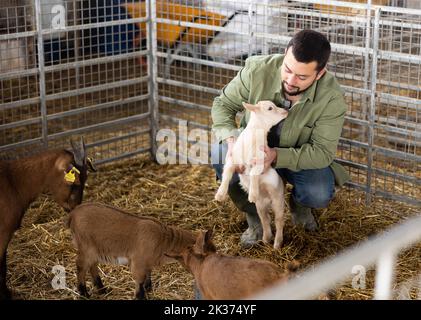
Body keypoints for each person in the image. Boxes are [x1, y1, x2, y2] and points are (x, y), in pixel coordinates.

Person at [211, 29, 350, 248]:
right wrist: (231, 140)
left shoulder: (332, 98)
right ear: (285, 53)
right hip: (253, 152)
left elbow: (322, 152)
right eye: (287, 69)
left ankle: (299, 205)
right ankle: (256, 216)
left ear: (320, 73)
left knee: (319, 190)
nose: (291, 80)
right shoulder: (258, 69)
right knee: (220, 156)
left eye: (302, 77)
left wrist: (275, 156)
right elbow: (223, 105)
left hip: (296, 159)